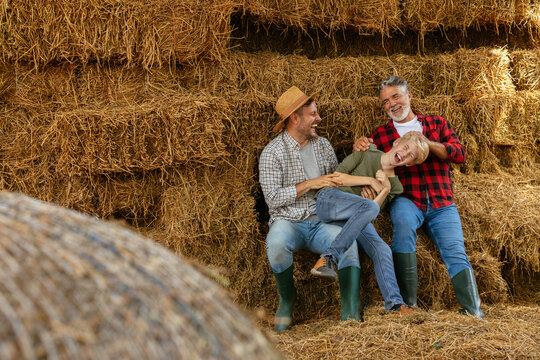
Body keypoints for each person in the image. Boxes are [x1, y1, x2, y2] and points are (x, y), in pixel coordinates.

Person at [354, 75, 484, 318]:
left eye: (396, 96)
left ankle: (473, 311)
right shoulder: (381, 135)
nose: (392, 104)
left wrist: (427, 144)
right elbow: (368, 162)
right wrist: (360, 145)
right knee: (402, 229)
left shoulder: (436, 123)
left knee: (455, 249)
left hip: (441, 200)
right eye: (385, 101)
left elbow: (459, 153)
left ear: (409, 96)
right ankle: (408, 307)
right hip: (407, 199)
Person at [259, 86, 362, 332]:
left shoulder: (323, 145)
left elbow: (335, 182)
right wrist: (309, 184)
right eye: (313, 114)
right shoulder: (272, 153)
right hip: (288, 222)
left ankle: (350, 313)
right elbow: (272, 199)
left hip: (321, 220)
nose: (319, 119)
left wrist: (365, 181)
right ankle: (287, 299)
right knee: (275, 243)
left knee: (348, 243)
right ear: (295, 118)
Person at [311, 131, 429, 315]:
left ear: (410, 163)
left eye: (410, 155)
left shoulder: (395, 186)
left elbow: (372, 212)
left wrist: (384, 190)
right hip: (329, 200)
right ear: (397, 142)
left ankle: (395, 304)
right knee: (368, 207)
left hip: (354, 216)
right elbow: (335, 178)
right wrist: (371, 181)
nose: (405, 153)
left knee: (382, 249)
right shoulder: (365, 152)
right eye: (405, 147)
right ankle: (328, 258)